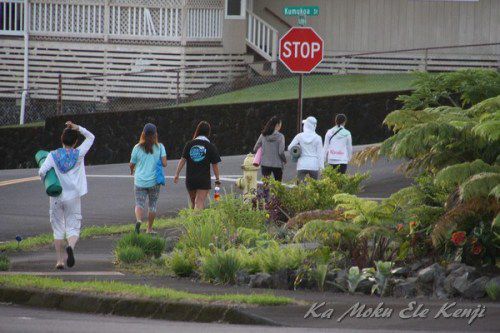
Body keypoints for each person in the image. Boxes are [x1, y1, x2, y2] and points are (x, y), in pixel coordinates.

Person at [38, 121, 95, 269]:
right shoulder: (79, 154)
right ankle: (71, 246)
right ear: (75, 142)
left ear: (61, 140)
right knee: (73, 227)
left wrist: (46, 181)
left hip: (56, 196)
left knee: (58, 228)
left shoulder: (52, 155)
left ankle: (59, 261)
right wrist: (78, 128)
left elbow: (42, 171)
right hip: (73, 196)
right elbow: (91, 137)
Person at [173, 121, 221, 210]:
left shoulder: (189, 144)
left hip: (190, 179)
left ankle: (194, 222)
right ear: (208, 132)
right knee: (199, 202)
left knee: (193, 202)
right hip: (203, 179)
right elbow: (215, 164)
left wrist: (177, 174)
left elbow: (182, 160)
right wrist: (217, 179)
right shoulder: (210, 146)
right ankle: (198, 222)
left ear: (197, 131)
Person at [130, 123, 167, 234]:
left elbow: (132, 163)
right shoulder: (160, 147)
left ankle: (138, 220)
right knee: (153, 205)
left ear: (143, 134)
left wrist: (132, 171)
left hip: (140, 181)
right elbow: (164, 163)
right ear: (155, 134)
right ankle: (149, 228)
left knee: (139, 204)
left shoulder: (137, 147)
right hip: (154, 181)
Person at [288, 116, 324, 181]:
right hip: (314, 165)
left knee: (300, 187)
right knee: (313, 187)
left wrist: (297, 151)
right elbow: (320, 155)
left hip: (302, 164)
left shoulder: (299, 136)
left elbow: (290, 147)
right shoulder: (318, 138)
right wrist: (322, 169)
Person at [253, 116, 287, 182]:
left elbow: (255, 148)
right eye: (280, 125)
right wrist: (284, 160)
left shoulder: (263, 135)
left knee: (265, 184)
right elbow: (281, 152)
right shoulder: (281, 136)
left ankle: (265, 193)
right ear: (277, 125)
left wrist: (263, 151)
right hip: (277, 164)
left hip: (265, 163)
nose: (280, 127)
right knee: (278, 185)